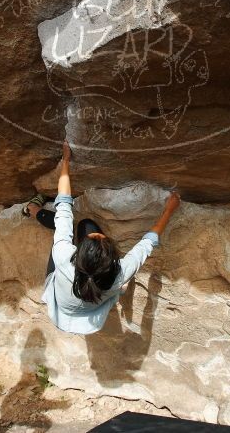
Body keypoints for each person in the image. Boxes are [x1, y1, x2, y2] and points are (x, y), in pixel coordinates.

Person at [27, 141, 180, 334]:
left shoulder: (64, 256)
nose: (95, 234)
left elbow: (64, 206)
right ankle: (118, 292)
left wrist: (65, 160)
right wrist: (169, 210)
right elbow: (147, 243)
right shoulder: (120, 274)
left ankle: (32, 209)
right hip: (91, 316)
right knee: (86, 226)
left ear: (78, 252)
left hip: (61, 310)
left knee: (66, 225)